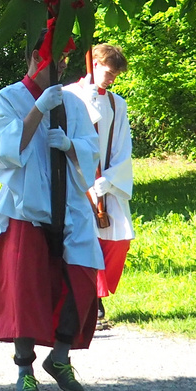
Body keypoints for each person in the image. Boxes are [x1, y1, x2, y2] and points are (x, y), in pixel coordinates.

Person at [0, 35, 103, 391]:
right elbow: (5, 150)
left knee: (83, 277)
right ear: (37, 57)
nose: (63, 67)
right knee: (27, 287)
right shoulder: (8, 98)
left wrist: (70, 145)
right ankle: (24, 367)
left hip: (69, 204)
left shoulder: (74, 103)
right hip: (26, 206)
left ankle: (61, 356)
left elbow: (89, 148)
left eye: (67, 60)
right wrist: (37, 110)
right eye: (56, 60)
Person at [65, 44, 135, 326]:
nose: (111, 78)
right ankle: (93, 300)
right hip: (76, 177)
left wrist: (110, 179)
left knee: (119, 239)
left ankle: (96, 295)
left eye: (116, 74)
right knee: (86, 238)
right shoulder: (71, 95)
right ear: (93, 63)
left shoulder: (117, 103)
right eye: (108, 71)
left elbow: (121, 145)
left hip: (107, 180)